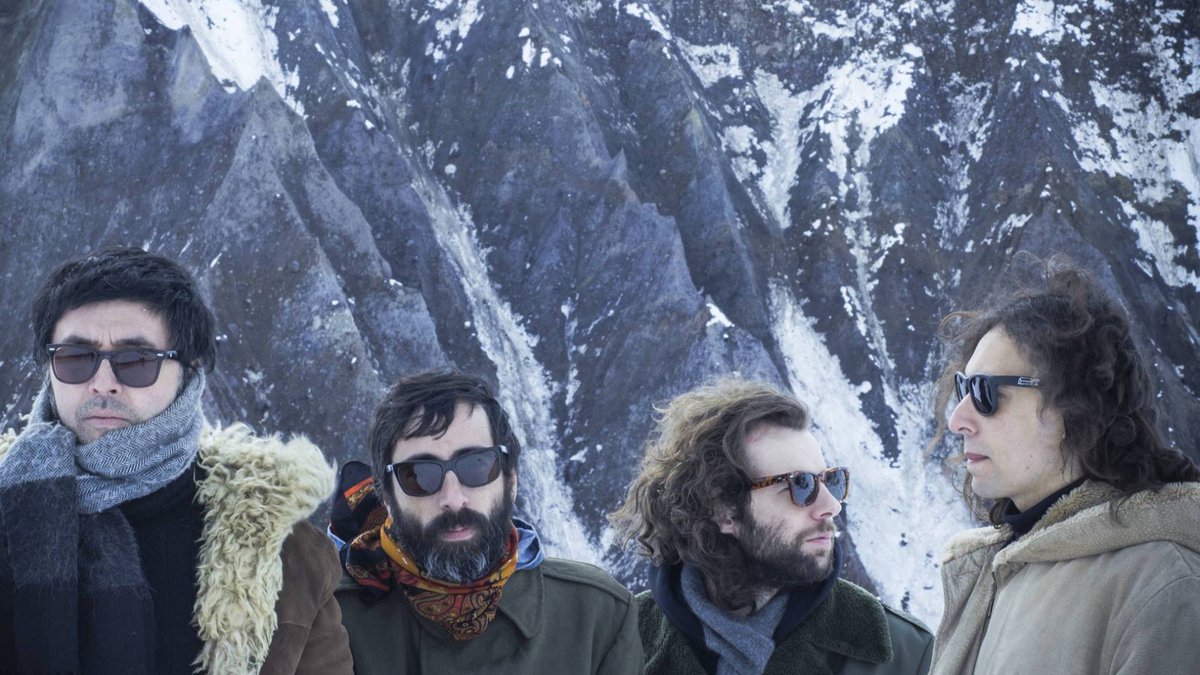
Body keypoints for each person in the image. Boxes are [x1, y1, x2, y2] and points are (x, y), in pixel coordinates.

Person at [0, 247, 351, 674]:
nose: (102, 383)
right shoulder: (8, 505)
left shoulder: (285, 557)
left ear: (189, 370)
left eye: (136, 360)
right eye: (76, 358)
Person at [929, 256, 1200, 674]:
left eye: (984, 392)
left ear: (1076, 405)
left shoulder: (1163, 588)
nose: (957, 419)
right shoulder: (985, 574)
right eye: (962, 387)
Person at [610, 376, 932, 674]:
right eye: (800, 485)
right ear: (725, 512)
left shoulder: (900, 654)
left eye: (831, 481)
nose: (831, 507)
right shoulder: (618, 646)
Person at [331, 370, 642, 673]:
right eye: (419, 475)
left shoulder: (597, 617)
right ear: (387, 498)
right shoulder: (333, 618)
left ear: (511, 481)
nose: (453, 498)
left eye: (476, 465)